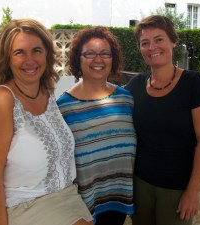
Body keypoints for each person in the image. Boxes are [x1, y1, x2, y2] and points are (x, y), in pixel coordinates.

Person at [0, 18, 94, 225]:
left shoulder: (47, 93)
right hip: (26, 205)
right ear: (7, 58)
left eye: (37, 50)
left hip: (68, 197)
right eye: (19, 52)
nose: (30, 60)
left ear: (47, 54)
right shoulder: (1, 100)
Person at [125, 15, 200, 225]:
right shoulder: (135, 85)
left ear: (173, 41)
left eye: (159, 39)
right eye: (144, 43)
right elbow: (109, 103)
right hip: (140, 185)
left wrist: (193, 191)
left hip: (177, 189)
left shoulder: (194, 83)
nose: (152, 47)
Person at [57, 26, 137, 225]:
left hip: (119, 196)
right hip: (84, 204)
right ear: (78, 59)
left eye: (105, 53)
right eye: (90, 53)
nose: (98, 59)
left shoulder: (126, 99)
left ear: (113, 59)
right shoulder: (64, 107)